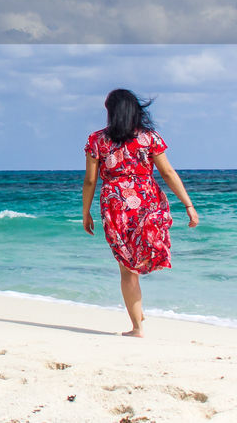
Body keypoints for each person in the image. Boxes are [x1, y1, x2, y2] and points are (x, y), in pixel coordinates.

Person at [82, 89, 199, 337]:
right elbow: (167, 173)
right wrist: (188, 204)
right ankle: (137, 313)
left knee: (127, 268)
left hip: (115, 206)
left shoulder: (97, 140)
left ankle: (137, 326)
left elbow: (90, 181)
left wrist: (86, 212)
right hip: (147, 201)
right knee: (145, 255)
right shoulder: (149, 138)